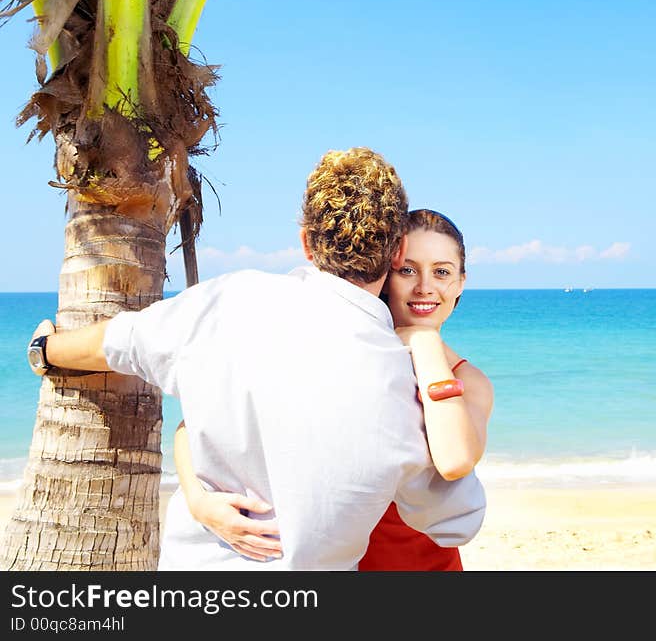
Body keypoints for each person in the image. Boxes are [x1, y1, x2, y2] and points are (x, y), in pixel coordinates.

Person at [26, 148, 486, 570]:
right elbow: (455, 521)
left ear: (307, 242)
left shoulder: (232, 298)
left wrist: (45, 350)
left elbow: (119, 340)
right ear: (397, 251)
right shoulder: (401, 383)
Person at [174, 209, 494, 570]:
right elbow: (200, 422)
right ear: (385, 275)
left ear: (461, 282)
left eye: (442, 272)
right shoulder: (337, 349)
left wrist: (425, 343)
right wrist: (199, 501)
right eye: (407, 269)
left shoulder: (470, 381)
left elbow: (454, 460)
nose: (424, 287)